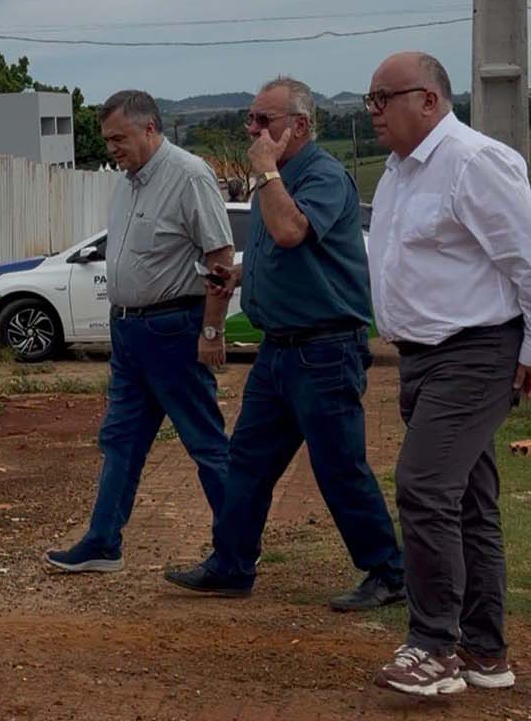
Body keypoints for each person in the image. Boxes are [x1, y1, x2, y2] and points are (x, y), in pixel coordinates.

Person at [164, 76, 405, 611]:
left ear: (299, 126)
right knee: (247, 460)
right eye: (250, 119)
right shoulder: (277, 179)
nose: (253, 130)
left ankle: (389, 573)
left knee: (338, 465)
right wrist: (242, 274)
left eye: (263, 121)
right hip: (279, 351)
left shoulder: (321, 176)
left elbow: (293, 231)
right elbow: (278, 251)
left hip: (325, 349)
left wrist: (267, 171)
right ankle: (231, 565)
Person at [366, 52, 528, 696]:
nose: (372, 110)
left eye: (384, 98)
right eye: (371, 99)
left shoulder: (473, 161)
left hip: (476, 349)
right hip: (423, 356)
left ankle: (433, 647)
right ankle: (486, 651)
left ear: (429, 100)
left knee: (424, 485)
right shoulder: (399, 171)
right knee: (465, 500)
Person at [45, 90, 233, 573]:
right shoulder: (127, 183)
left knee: (205, 443)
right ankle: (103, 542)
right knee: (120, 439)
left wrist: (211, 331)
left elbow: (219, 259)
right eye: (106, 139)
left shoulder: (189, 176)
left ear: (150, 129)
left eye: (119, 138)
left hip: (174, 329)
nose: (111, 148)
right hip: (128, 333)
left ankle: (236, 549)